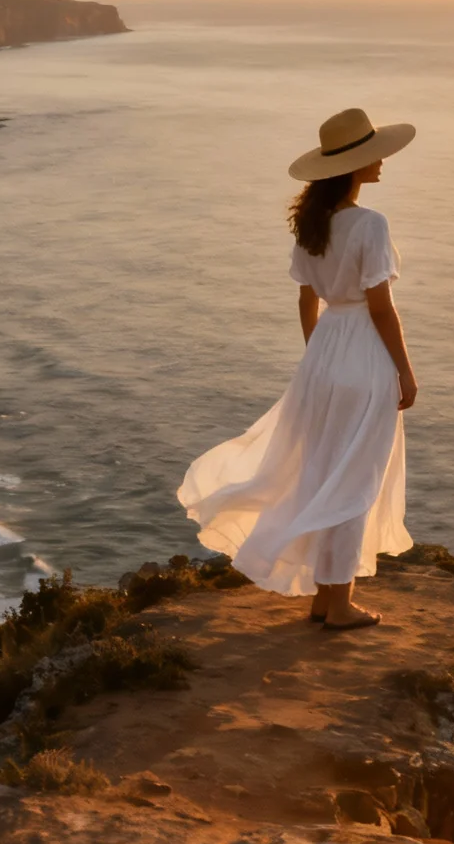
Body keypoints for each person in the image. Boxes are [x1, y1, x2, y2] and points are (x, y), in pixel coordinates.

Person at [178, 108, 419, 631]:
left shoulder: (313, 223)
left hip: (325, 352)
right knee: (355, 481)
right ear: (354, 166)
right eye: (373, 154)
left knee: (323, 473)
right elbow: (381, 309)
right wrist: (405, 371)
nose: (381, 161)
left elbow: (307, 300)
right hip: (362, 353)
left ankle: (323, 597)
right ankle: (339, 606)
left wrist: (319, 358)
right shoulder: (370, 224)